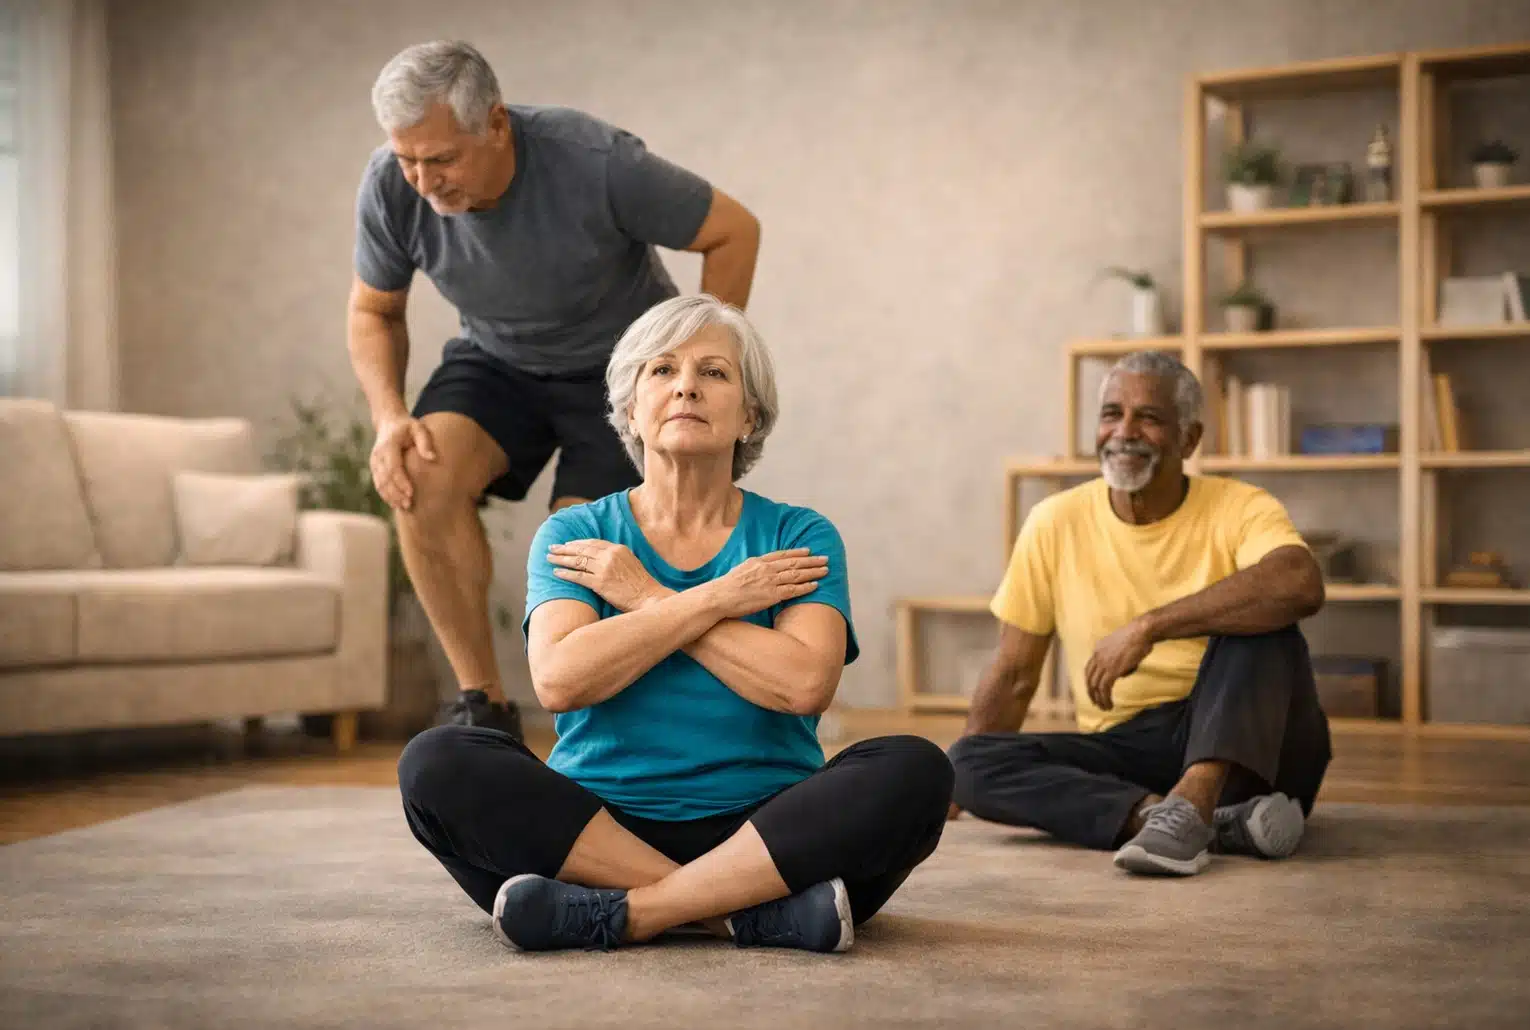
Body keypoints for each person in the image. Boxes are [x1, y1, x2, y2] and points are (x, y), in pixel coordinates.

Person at [397, 295, 954, 953]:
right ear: (631, 408)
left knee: (915, 770)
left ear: (750, 415)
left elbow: (803, 685)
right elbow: (560, 680)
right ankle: (747, 915)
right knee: (437, 763)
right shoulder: (577, 535)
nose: (686, 384)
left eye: (714, 372)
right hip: (593, 833)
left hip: (771, 831)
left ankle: (619, 914)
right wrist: (713, 599)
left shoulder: (798, 536)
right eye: (661, 370)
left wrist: (643, 596)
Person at [349, 41, 761, 738]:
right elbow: (373, 311)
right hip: (497, 358)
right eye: (408, 159)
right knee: (417, 475)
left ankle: (597, 732)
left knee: (576, 542)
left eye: (442, 159)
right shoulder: (391, 184)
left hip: (619, 369)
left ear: (497, 125)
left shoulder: (596, 163)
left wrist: (684, 367)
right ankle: (485, 709)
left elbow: (734, 231)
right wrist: (390, 416)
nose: (423, 180)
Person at [947, 350, 1332, 876]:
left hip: (1256, 743)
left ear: (1188, 440)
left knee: (1261, 619)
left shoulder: (1241, 505)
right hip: (1133, 744)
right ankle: (1173, 817)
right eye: (1111, 414)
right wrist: (956, 787)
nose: (1124, 431)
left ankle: (1195, 804)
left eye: (1148, 418)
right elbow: (1015, 673)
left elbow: (1299, 582)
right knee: (966, 763)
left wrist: (1150, 626)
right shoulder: (1054, 521)